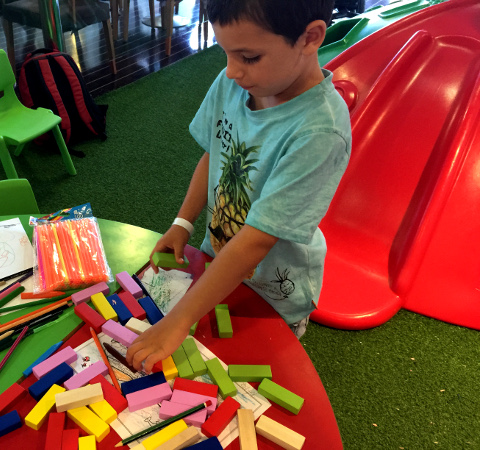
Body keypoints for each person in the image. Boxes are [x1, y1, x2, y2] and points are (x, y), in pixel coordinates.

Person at [127, 0, 351, 372]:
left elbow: (257, 240)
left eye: (248, 56)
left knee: (254, 369)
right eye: (226, 53)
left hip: (274, 292)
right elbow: (215, 152)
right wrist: (183, 222)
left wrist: (177, 322)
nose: (231, 71)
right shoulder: (233, 85)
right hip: (218, 264)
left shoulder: (320, 132)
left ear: (310, 37)